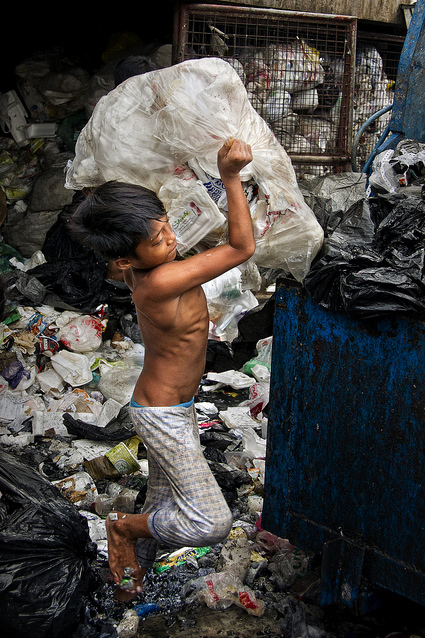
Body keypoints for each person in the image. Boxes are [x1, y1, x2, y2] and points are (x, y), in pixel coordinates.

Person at [68, 138, 255, 600]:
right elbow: (242, 246)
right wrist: (229, 177)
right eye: (157, 239)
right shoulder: (161, 281)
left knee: (164, 504)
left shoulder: (139, 269)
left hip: (173, 408)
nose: (170, 238)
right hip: (164, 414)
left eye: (167, 226)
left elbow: (139, 235)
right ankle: (122, 530)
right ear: (127, 259)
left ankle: (127, 592)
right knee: (209, 521)